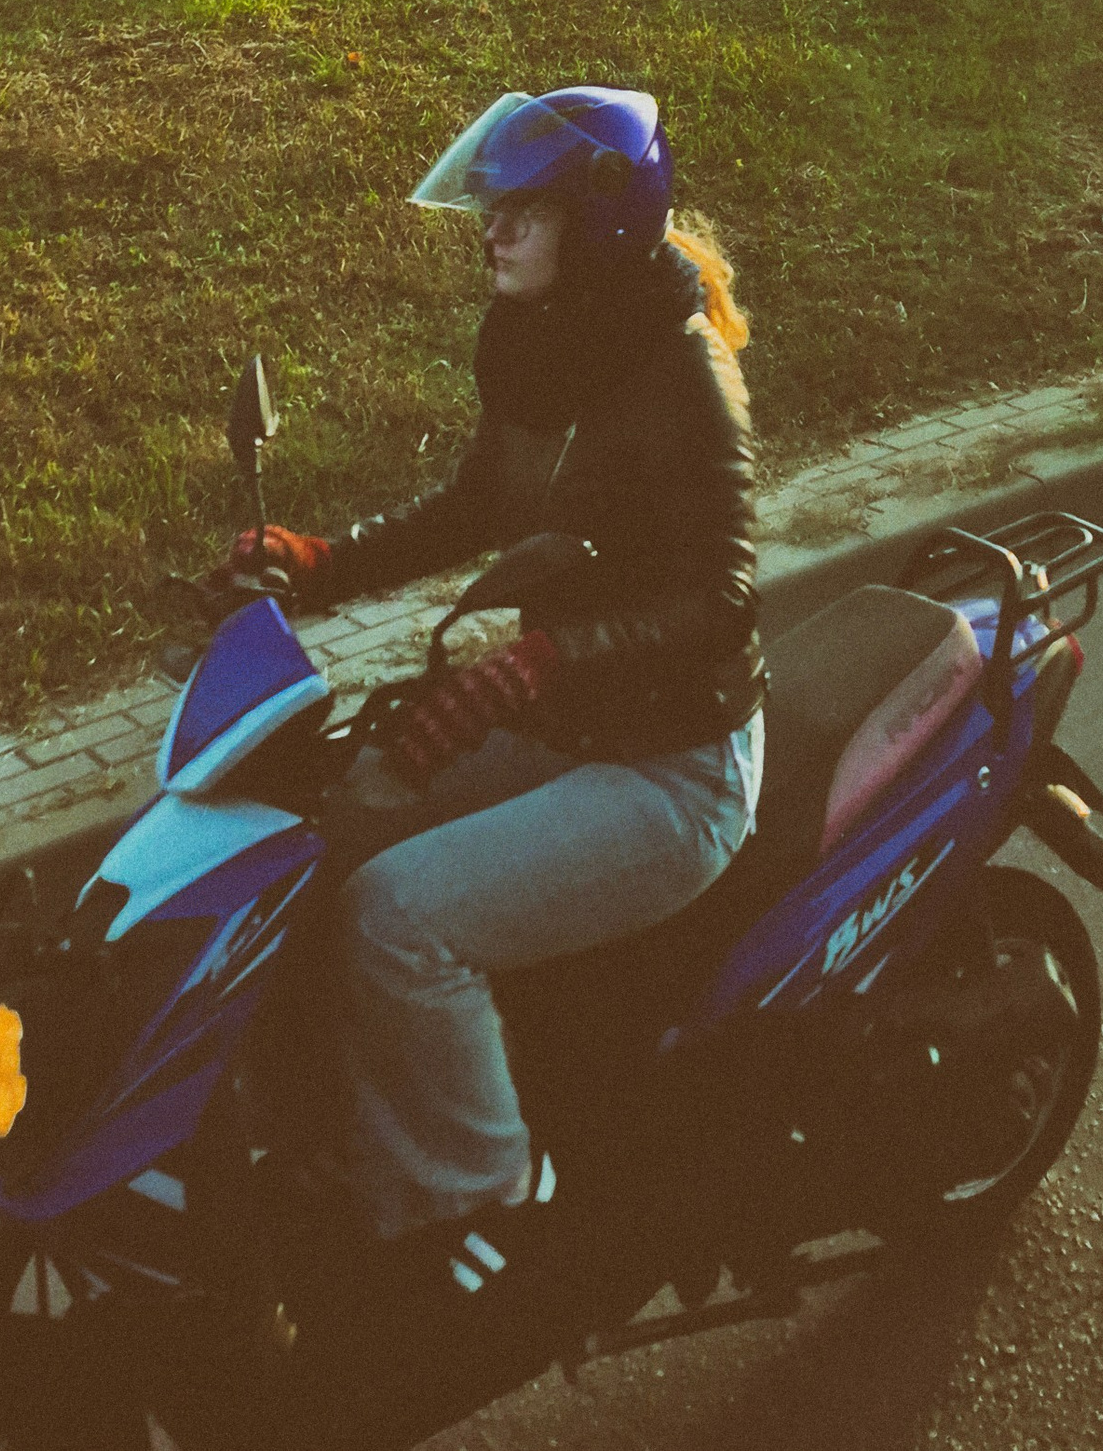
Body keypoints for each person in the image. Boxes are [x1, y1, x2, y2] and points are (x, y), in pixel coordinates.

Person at [216, 86, 764, 1302]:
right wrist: (320, 561)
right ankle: (329, 1136)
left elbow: (722, 599)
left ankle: (491, 1204)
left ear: (603, 223)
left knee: (399, 918)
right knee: (326, 833)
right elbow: (480, 506)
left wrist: (553, 657)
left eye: (522, 212)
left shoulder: (684, 374)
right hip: (562, 720)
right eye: (493, 210)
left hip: (673, 765)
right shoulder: (538, 335)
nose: (493, 233)